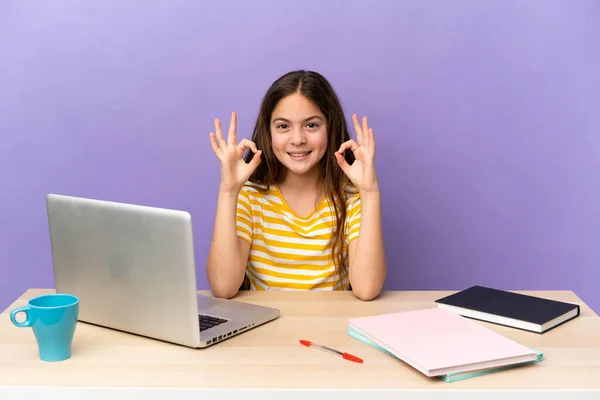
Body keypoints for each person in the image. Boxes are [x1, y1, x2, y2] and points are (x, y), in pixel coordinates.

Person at [207, 70, 386, 301]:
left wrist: (369, 193)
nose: (298, 139)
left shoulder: (350, 196)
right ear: (268, 131)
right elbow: (223, 288)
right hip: (265, 332)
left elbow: (367, 289)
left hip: (329, 331)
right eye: (283, 127)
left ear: (330, 128)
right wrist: (228, 192)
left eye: (311, 125)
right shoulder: (251, 196)